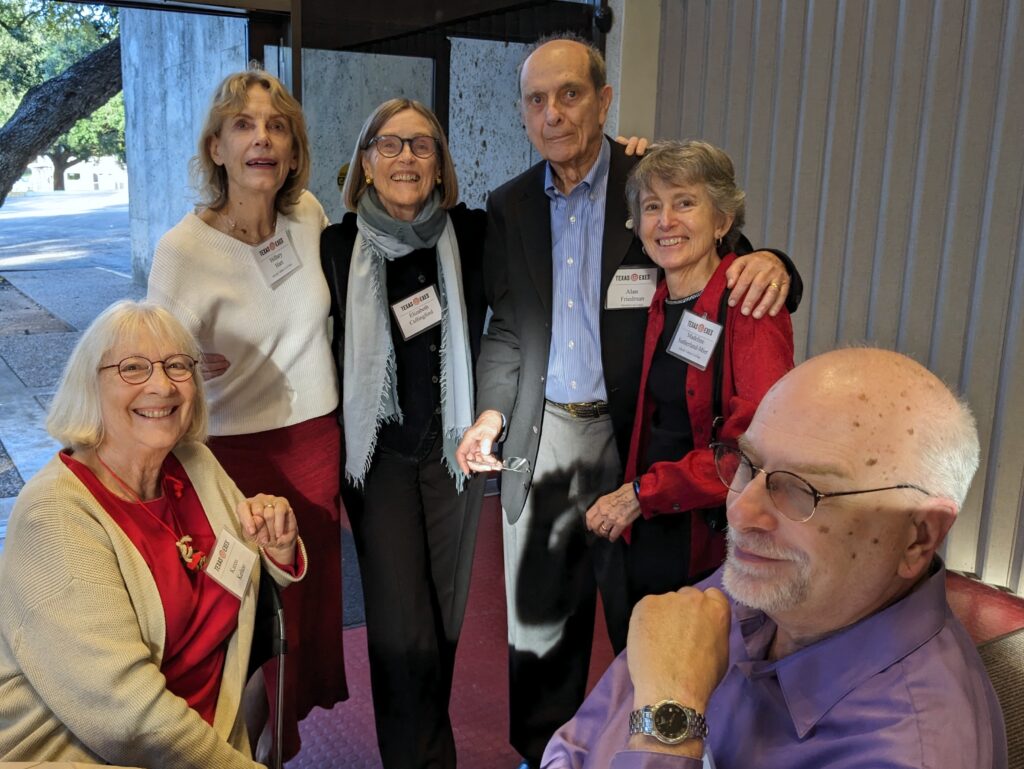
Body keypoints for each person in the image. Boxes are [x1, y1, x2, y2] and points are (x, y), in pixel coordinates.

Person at [455, 36, 803, 768]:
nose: (554, 113)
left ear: (605, 100)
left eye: (571, 94)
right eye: (536, 100)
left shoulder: (641, 183)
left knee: (647, 621)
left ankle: (653, 750)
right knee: (542, 625)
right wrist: (491, 409)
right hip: (546, 433)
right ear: (522, 113)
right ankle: (542, 755)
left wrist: (778, 265)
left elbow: (719, 253)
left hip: (634, 439)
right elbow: (509, 324)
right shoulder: (509, 203)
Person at [542, 348, 1008, 769]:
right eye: (748, 464)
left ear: (917, 536)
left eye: (802, 489)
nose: (741, 511)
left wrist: (667, 731)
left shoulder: (911, 751)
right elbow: (572, 748)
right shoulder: (763, 590)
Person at [0, 300, 306, 768]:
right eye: (133, 368)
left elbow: (237, 569)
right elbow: (126, 718)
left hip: (208, 734)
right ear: (91, 386)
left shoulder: (193, 465)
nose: (161, 385)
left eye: (177, 366)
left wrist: (277, 549)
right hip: (88, 752)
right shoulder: (55, 517)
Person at [147, 67, 346, 759]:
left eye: (277, 126)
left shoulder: (309, 216)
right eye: (243, 125)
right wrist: (187, 367)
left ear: (292, 150)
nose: (262, 138)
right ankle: (231, 751)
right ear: (216, 149)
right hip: (229, 458)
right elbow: (154, 360)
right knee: (242, 622)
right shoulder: (184, 248)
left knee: (301, 617)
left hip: (317, 446)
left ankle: (267, 751)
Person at [319, 98, 488, 769]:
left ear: (440, 162)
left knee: (443, 622)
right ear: (365, 162)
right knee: (398, 627)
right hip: (378, 457)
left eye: (422, 145)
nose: (407, 158)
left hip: (452, 455)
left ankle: (427, 747)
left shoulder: (471, 236)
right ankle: (417, 759)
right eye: (389, 145)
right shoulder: (336, 247)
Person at [583, 140, 794, 625]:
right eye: (652, 207)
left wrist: (642, 494)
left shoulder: (750, 304)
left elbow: (755, 450)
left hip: (707, 533)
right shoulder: (661, 300)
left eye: (685, 203)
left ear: (722, 221)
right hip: (653, 518)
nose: (665, 221)